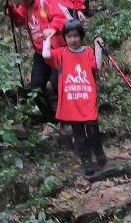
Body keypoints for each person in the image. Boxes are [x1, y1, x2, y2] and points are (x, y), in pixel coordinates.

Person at [42, 20, 107, 175]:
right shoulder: (61, 53)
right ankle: (86, 160)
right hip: (71, 101)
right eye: (69, 36)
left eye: (76, 36)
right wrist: (49, 38)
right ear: (65, 38)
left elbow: (97, 66)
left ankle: (98, 151)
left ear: (81, 36)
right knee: (78, 133)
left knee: (92, 128)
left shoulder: (87, 51)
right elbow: (46, 55)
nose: (73, 39)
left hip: (87, 97)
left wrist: (98, 48)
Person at [5, 0, 68, 122]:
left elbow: (60, 17)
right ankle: (51, 120)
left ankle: (68, 118)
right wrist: (12, 9)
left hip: (56, 50)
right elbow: (19, 20)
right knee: (36, 88)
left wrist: (52, 28)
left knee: (58, 85)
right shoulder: (24, 6)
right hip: (41, 53)